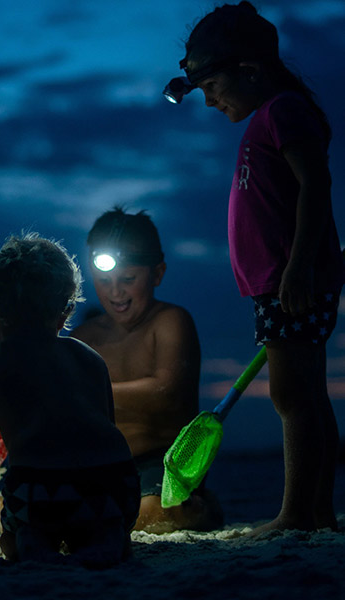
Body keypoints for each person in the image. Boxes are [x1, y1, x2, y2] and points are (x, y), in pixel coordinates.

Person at [166, 1, 341, 534]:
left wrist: (299, 267)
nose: (209, 99)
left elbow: (316, 186)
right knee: (304, 390)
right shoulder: (268, 117)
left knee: (293, 394)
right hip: (281, 284)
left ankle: (295, 515)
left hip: (294, 281)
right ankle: (313, 512)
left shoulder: (283, 110)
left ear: (249, 70)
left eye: (212, 86)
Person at [0, 233, 139, 567]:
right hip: (116, 486)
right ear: (66, 311)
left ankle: (32, 542)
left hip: (43, 491)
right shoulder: (89, 359)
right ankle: (107, 537)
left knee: (12, 535)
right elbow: (107, 432)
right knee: (95, 518)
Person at [71, 207, 224, 533]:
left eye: (128, 279)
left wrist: (82, 393)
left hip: (162, 462)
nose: (116, 292)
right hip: (100, 464)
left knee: (152, 515)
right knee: (31, 511)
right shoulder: (82, 338)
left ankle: (200, 507)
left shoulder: (170, 321)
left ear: (157, 273)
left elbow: (166, 394)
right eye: (104, 281)